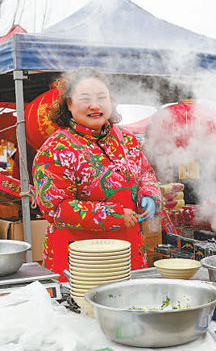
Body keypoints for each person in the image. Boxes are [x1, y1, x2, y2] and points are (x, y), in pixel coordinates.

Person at [32, 68, 161, 281]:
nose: (95, 105)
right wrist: (114, 215)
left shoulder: (126, 139)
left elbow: (145, 172)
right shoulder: (56, 149)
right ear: (69, 104)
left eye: (102, 97)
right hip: (81, 260)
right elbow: (55, 208)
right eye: (85, 99)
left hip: (128, 254)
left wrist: (149, 193)